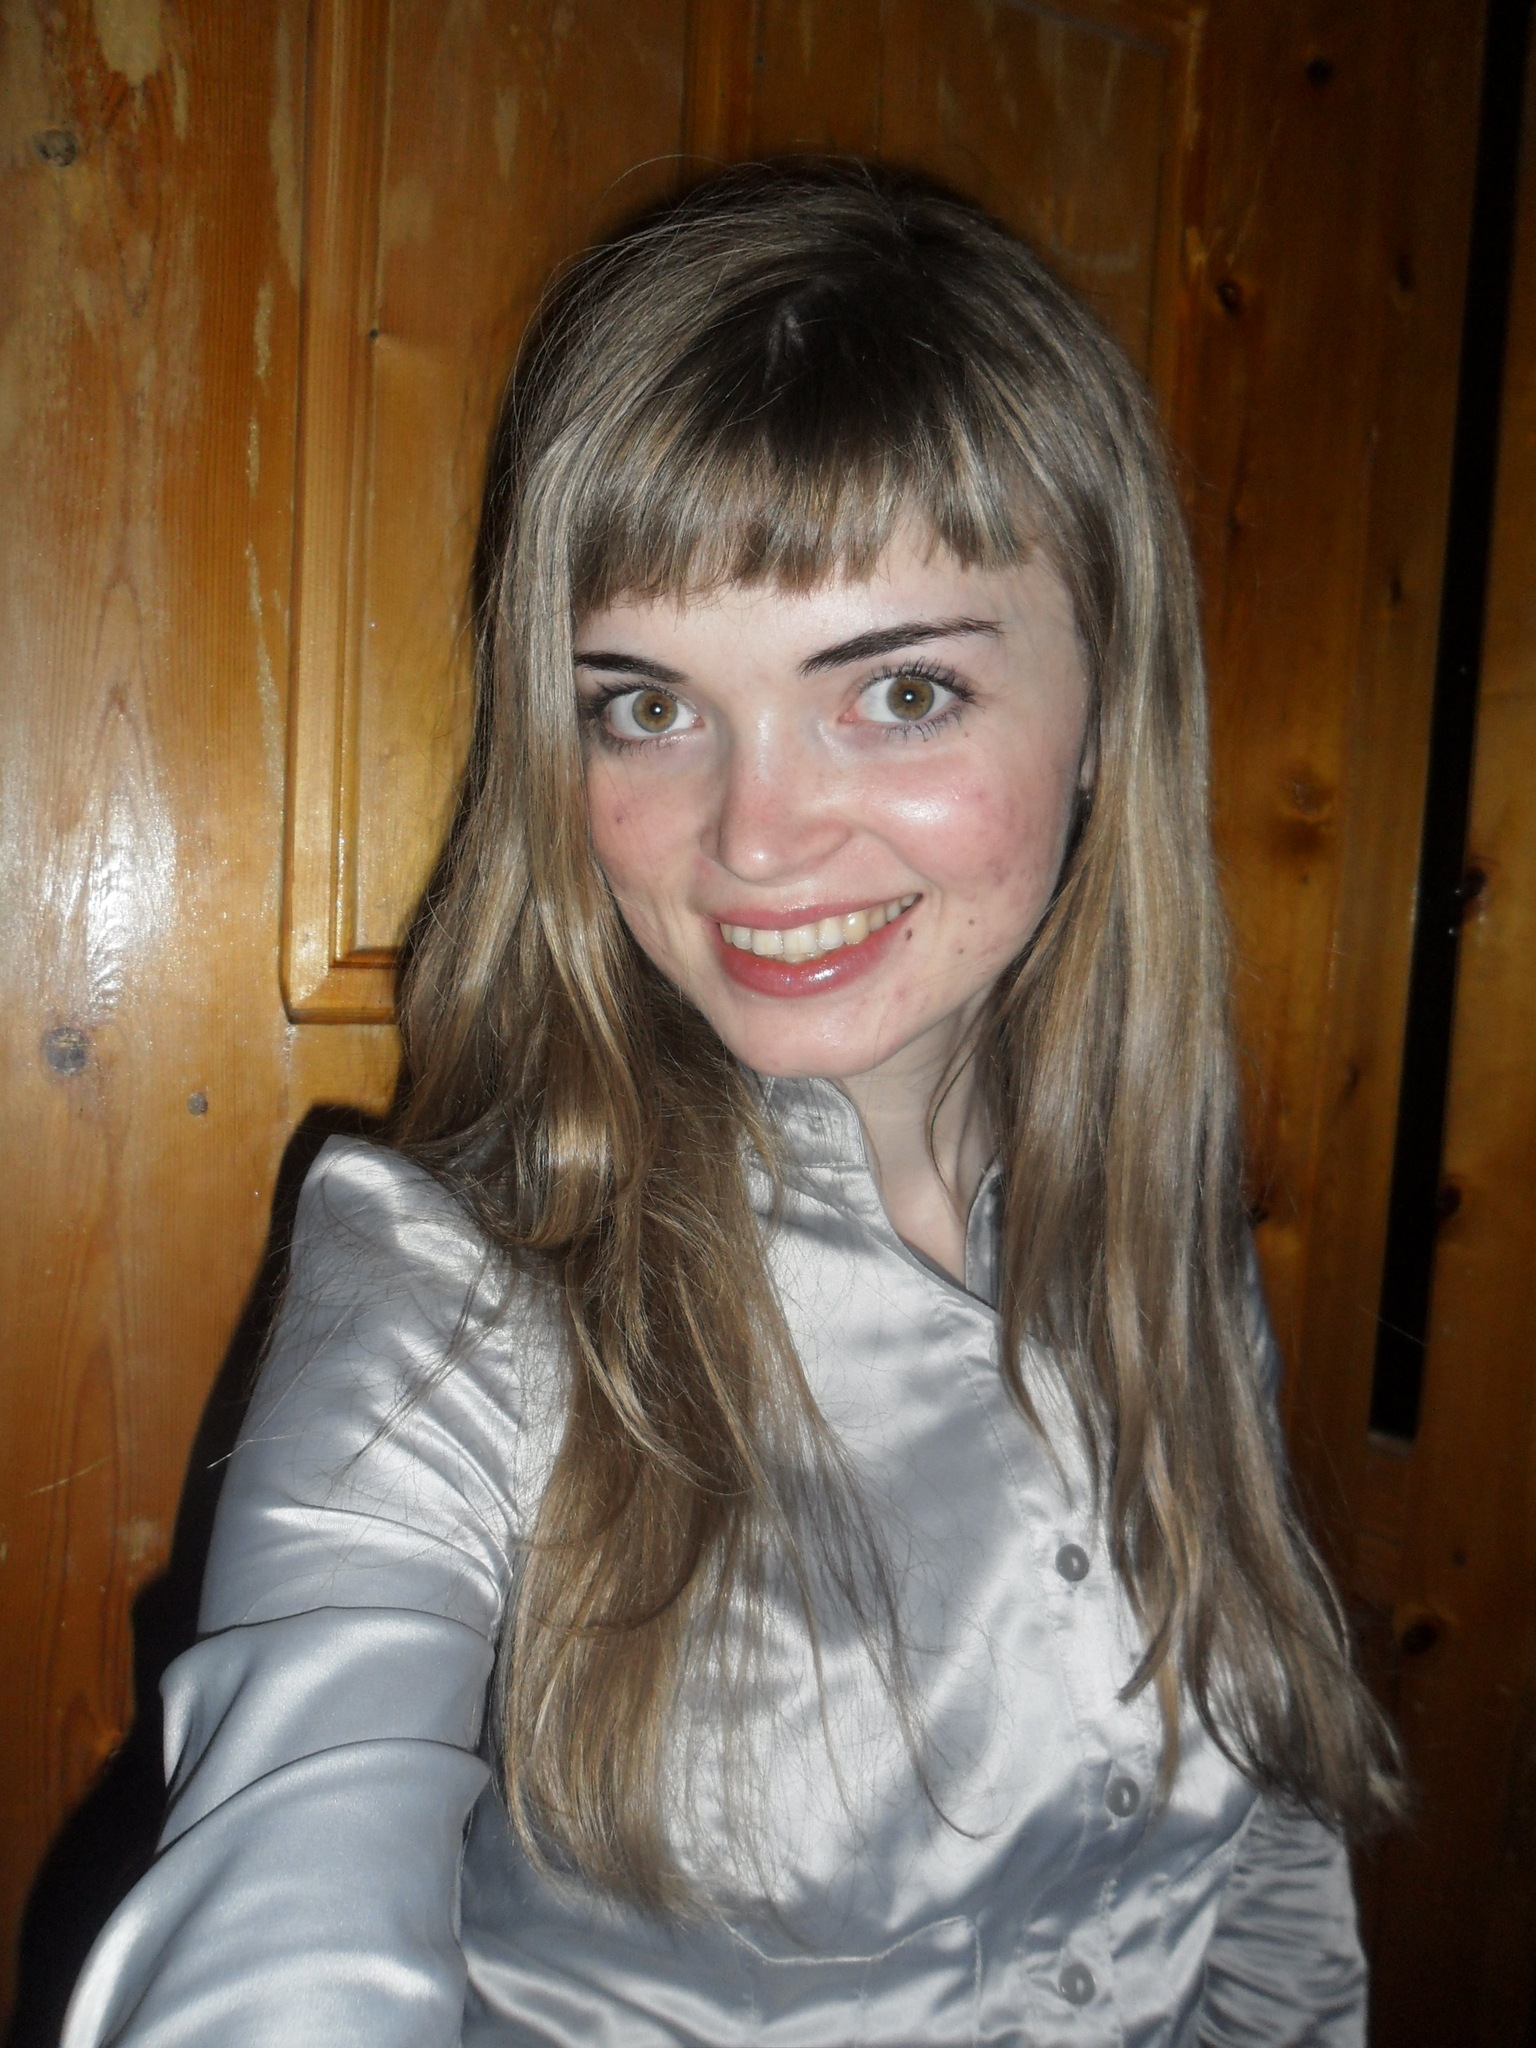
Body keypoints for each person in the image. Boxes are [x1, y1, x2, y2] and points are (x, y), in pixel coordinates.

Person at [63, 162, 1400, 2047]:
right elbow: (277, 1924)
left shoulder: (1151, 1219)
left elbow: (1260, 1859)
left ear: (1108, 699)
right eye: (650, 705)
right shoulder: (449, 1298)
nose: (755, 840)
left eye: (902, 693)